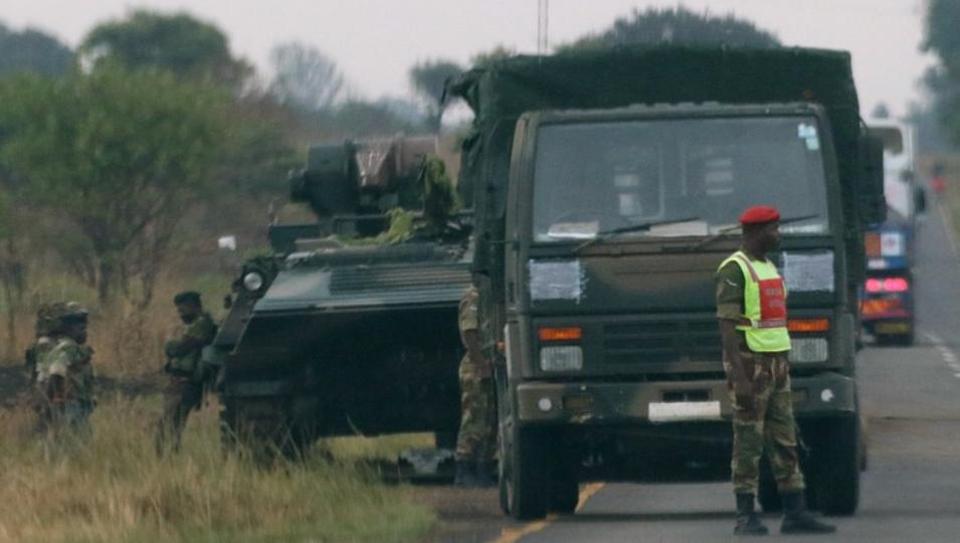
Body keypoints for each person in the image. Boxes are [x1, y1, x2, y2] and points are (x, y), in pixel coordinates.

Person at [715, 205, 835, 536]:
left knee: (785, 438)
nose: (777, 234)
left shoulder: (768, 267)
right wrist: (739, 377)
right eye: (772, 229)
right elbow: (726, 328)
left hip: (777, 363)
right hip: (750, 364)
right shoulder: (734, 270)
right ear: (754, 232)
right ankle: (745, 515)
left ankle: (795, 511)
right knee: (749, 441)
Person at [155, 291, 217, 454]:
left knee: (168, 422)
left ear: (193, 306)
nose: (180, 314)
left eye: (183, 310)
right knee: (175, 422)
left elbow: (183, 347)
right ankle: (171, 454)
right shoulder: (200, 323)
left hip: (185, 381)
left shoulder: (201, 324)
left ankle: (162, 455)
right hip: (185, 380)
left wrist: (170, 347)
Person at [453, 283, 497, 488]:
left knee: (489, 420)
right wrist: (481, 363)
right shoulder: (474, 296)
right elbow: (469, 332)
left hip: (489, 364)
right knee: (473, 418)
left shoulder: (490, 294)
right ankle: (464, 468)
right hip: (475, 366)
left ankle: (483, 468)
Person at [35, 302, 95, 438]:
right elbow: (56, 371)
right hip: (70, 406)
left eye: (84, 324)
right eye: (79, 325)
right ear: (67, 328)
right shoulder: (68, 347)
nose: (84, 329)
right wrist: (58, 398)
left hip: (70, 405)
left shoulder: (57, 347)